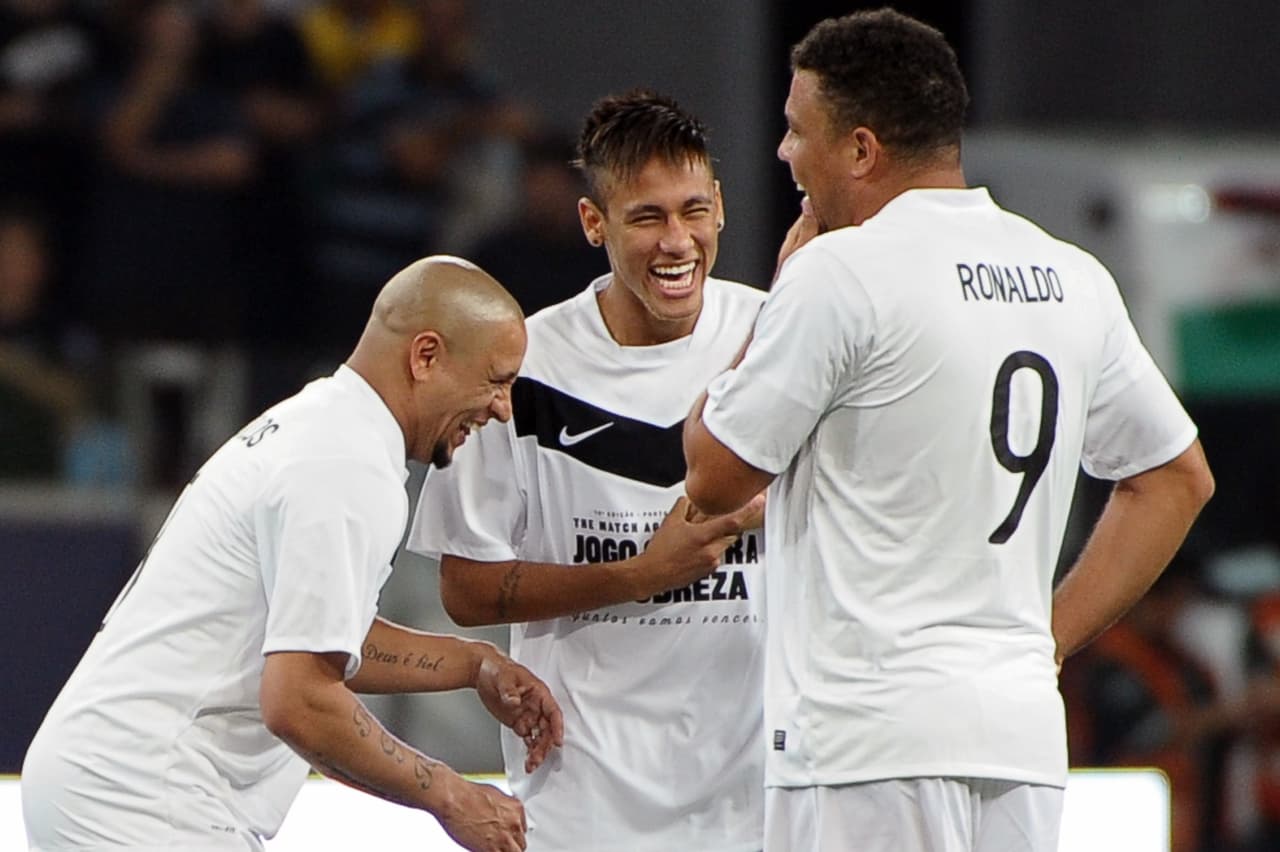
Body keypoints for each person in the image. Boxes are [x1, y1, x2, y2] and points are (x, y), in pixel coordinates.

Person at [682, 9, 1215, 852]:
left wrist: (781, 292)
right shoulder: (1073, 276)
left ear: (861, 150)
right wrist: (1043, 641)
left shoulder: (839, 272)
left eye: (797, 130)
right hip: (1018, 741)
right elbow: (1176, 478)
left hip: (865, 741)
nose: (783, 152)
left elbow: (713, 478)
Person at [21, 255, 563, 852]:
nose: (502, 408)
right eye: (496, 380)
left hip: (105, 781)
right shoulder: (345, 467)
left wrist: (474, 663)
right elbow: (300, 702)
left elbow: (317, 635)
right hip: (144, 796)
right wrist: (451, 796)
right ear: (425, 356)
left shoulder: (325, 427)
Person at [407, 90, 767, 852]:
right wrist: (639, 576)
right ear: (593, 222)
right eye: (647, 218)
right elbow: (466, 589)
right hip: (583, 805)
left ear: (721, 207)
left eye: (694, 211)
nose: (677, 242)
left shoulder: (776, 339)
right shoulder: (523, 367)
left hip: (759, 804)